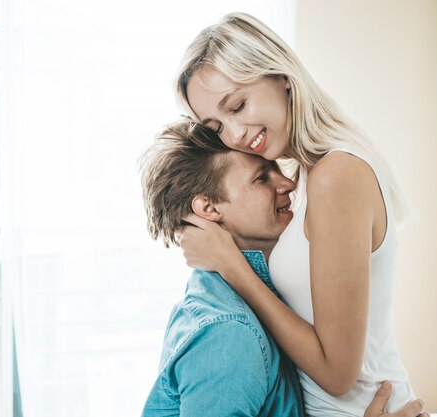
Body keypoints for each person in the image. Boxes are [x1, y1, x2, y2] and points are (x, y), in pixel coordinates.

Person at [174, 12, 417, 417]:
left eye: (237, 105)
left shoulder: (335, 176)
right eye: (216, 126)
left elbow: (338, 375)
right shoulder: (301, 176)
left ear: (280, 76)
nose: (234, 135)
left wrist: (233, 267)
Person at [138, 120, 427, 417]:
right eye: (261, 178)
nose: (287, 183)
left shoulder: (251, 293)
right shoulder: (228, 333)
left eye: (277, 168)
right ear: (209, 209)